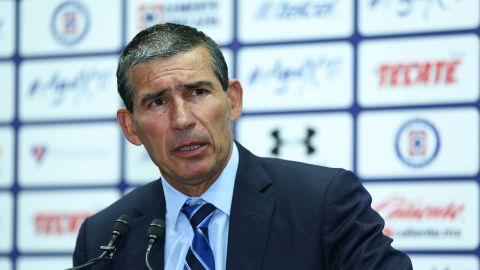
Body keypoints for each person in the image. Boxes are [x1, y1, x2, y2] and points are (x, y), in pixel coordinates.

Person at [72, 23, 412, 270]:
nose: (182, 119)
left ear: (233, 101)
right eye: (158, 102)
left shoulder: (323, 203)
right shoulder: (104, 236)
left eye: (197, 92)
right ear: (130, 126)